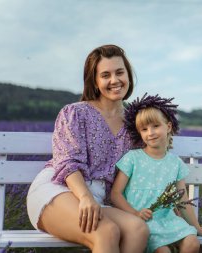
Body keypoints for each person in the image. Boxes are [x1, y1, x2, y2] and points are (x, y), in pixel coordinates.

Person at [26, 44, 149, 253]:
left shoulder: (136, 123)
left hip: (100, 199)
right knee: (106, 231)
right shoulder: (75, 112)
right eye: (105, 75)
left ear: (128, 75)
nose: (114, 80)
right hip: (61, 188)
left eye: (120, 72)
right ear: (95, 81)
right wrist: (85, 197)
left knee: (138, 229)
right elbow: (68, 162)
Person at [111, 94, 202, 253]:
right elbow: (115, 194)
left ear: (168, 127)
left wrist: (198, 227)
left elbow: (182, 198)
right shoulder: (133, 158)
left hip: (168, 220)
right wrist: (135, 213)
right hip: (142, 221)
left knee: (192, 244)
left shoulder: (175, 163)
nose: (150, 133)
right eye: (144, 129)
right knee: (163, 251)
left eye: (155, 126)